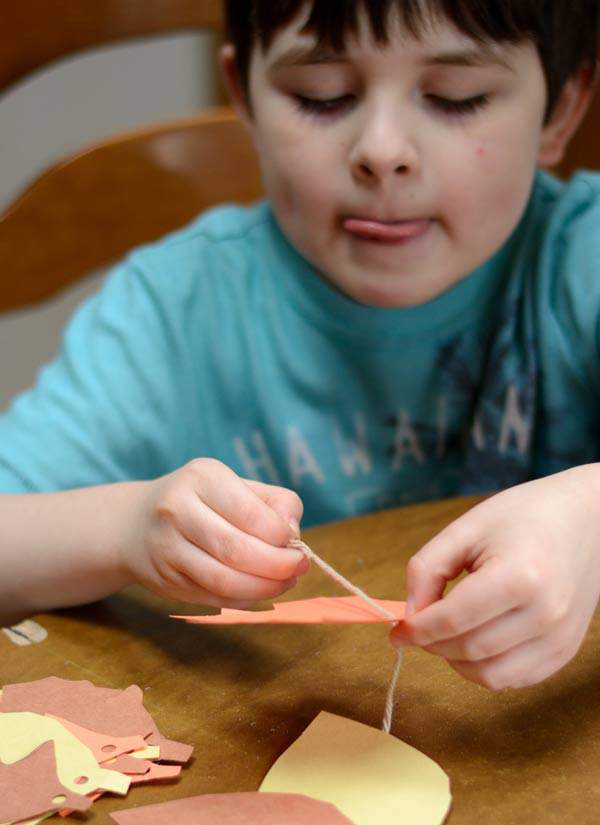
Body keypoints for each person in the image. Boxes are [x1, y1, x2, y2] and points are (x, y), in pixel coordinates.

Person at [1, 0, 599, 692]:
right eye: (323, 97)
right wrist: (125, 529)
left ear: (561, 110)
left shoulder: (579, 260)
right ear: (244, 98)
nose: (382, 152)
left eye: (455, 99)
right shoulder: (178, 308)